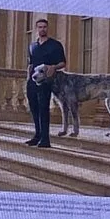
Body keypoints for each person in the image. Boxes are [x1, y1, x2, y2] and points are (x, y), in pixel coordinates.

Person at [24, 17, 65, 148]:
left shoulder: (55, 45)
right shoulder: (32, 46)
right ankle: (37, 135)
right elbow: (30, 63)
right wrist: (27, 77)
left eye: (44, 27)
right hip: (32, 80)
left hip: (46, 81)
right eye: (40, 27)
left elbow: (63, 63)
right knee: (34, 108)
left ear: (47, 28)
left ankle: (45, 139)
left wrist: (53, 67)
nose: (42, 29)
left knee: (43, 108)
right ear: (37, 29)